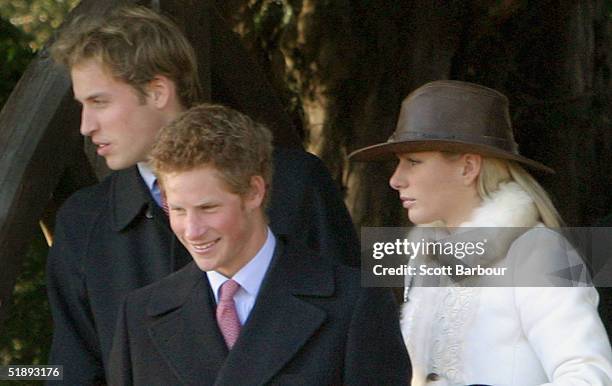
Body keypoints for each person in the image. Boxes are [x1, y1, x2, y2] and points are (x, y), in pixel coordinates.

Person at [47, 5, 358, 384]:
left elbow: (357, 328)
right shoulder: (82, 223)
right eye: (82, 106)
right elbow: (72, 372)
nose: (86, 125)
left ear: (158, 91)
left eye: (99, 102)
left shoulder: (296, 183)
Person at [107, 103, 410, 385]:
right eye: (177, 209)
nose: (192, 230)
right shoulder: (139, 315)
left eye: (208, 208)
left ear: (254, 192)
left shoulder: (354, 303)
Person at [350, 80, 612, 385]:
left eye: (413, 162)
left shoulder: (541, 250)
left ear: (468, 167)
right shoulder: (426, 259)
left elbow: (592, 377)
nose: (396, 179)